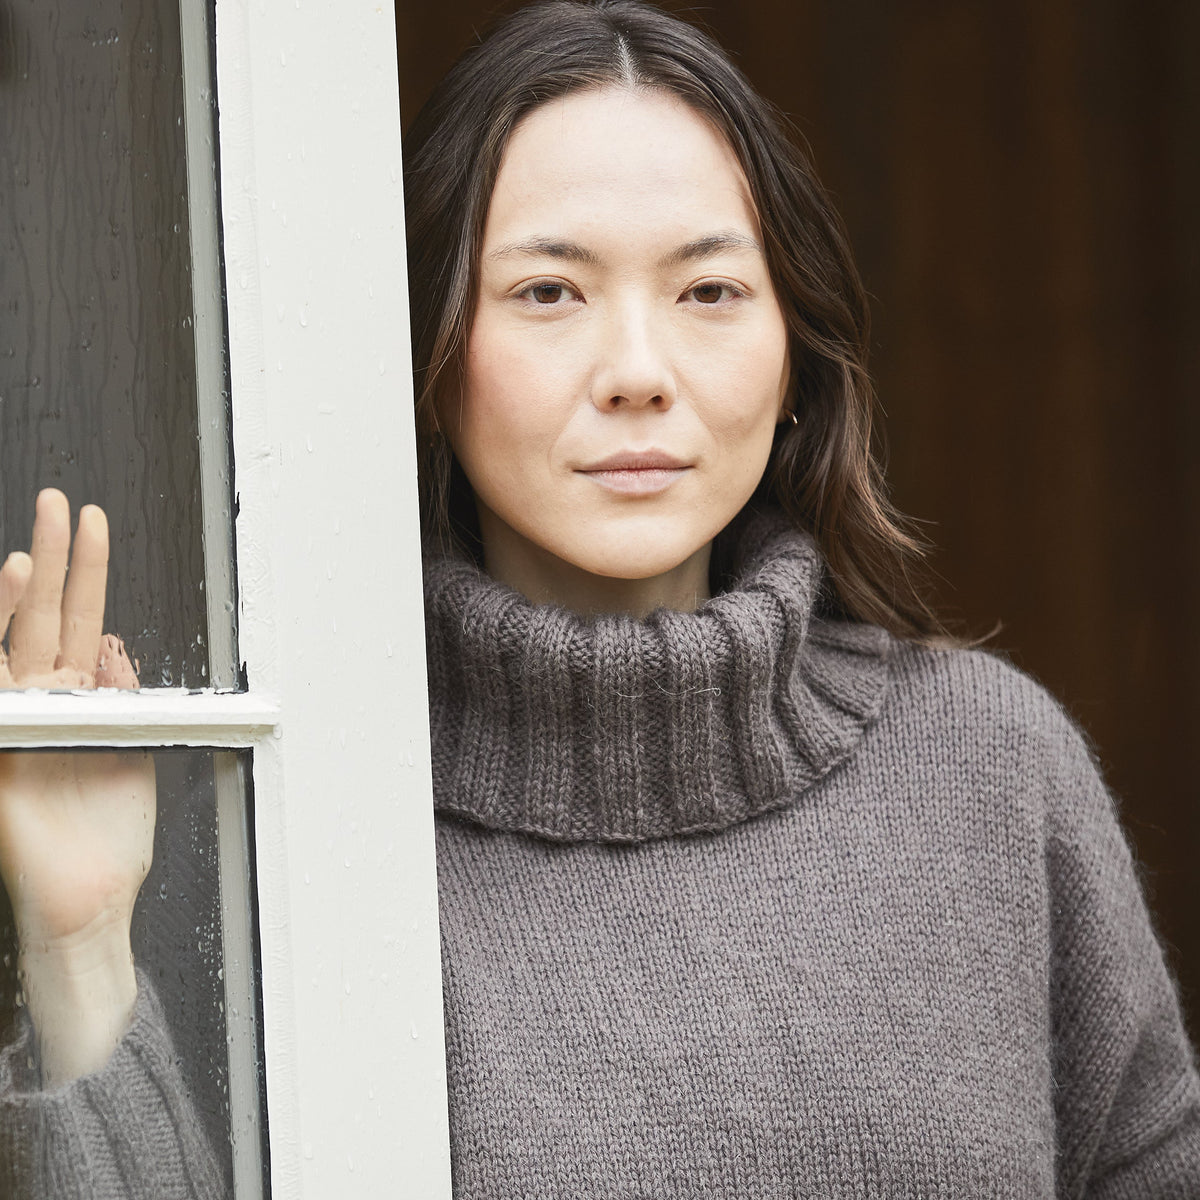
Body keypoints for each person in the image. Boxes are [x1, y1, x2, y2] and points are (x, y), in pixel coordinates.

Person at [2, 0, 1199, 1195]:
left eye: (711, 292)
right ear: (421, 352)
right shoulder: (295, 821)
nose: (637, 373)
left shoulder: (986, 766)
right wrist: (79, 940)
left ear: (797, 360)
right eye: (548, 293)